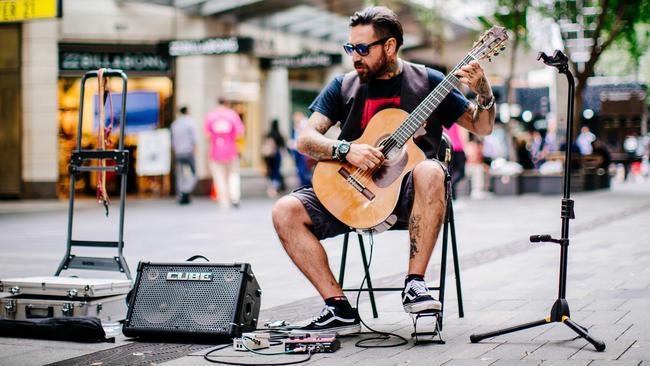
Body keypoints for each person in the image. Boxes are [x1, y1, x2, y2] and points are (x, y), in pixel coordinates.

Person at [271, 6, 496, 335]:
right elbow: (305, 139)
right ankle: (338, 308)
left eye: (363, 49)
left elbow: (482, 126)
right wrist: (347, 149)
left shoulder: (428, 83)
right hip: (351, 192)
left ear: (389, 46)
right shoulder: (343, 85)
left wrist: (484, 93)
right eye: (351, 48)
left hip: (410, 198)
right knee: (284, 210)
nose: (355, 57)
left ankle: (415, 285)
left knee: (431, 171)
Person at [204, 98, 245, 209]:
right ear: (227, 103)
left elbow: (207, 136)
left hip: (216, 152)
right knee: (233, 175)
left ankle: (223, 200)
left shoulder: (211, 116)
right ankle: (235, 197)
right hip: (231, 151)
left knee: (219, 177)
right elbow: (240, 133)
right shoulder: (232, 115)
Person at [171, 106, 198, 204]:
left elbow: (173, 141)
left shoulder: (175, 124)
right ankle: (186, 191)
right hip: (189, 152)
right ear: (187, 112)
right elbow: (195, 139)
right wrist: (195, 150)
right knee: (194, 174)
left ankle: (181, 193)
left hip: (179, 153)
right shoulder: (191, 122)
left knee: (180, 174)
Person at [443, 123, 469, 201]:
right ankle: (449, 187)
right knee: (461, 172)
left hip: (447, 147)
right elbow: (463, 132)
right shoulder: (458, 118)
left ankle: (452, 198)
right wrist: (466, 146)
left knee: (450, 173)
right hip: (458, 148)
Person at [262, 119, 287, 198]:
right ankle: (275, 189)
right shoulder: (279, 135)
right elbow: (283, 147)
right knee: (276, 172)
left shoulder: (269, 134)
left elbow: (265, 144)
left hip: (269, 156)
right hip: (277, 155)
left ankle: (271, 189)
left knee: (271, 172)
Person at [289, 111, 313, 187]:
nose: (294, 119)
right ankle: (304, 185)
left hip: (303, 151)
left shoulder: (304, 123)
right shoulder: (297, 125)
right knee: (300, 169)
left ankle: (307, 185)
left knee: (303, 170)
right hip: (297, 150)